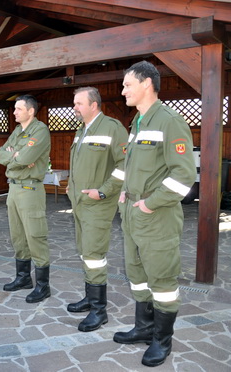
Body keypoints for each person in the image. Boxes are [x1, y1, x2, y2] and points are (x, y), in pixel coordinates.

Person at [113, 61, 196, 367]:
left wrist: (149, 203)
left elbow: (183, 176)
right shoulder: (138, 121)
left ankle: (162, 341)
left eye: (127, 85)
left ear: (147, 83)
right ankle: (144, 328)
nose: (123, 91)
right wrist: (125, 192)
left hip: (156, 215)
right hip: (133, 212)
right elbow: (136, 166)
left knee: (161, 279)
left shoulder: (169, 121)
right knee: (137, 275)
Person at [67, 87, 127, 331]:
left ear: (94, 105)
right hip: (80, 203)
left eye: (79, 103)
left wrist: (102, 190)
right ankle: (90, 298)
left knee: (93, 254)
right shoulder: (82, 130)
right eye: (74, 103)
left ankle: (99, 311)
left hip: (98, 204)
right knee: (84, 251)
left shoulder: (113, 128)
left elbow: (125, 165)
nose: (75, 108)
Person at [0, 95, 52, 303]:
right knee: (18, 236)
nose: (14, 112)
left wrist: (15, 156)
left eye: (19, 109)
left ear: (30, 111)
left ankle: (43, 285)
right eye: (14, 109)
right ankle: (23, 278)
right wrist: (15, 157)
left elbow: (27, 158)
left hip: (30, 189)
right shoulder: (17, 131)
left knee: (35, 236)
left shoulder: (40, 130)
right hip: (14, 189)